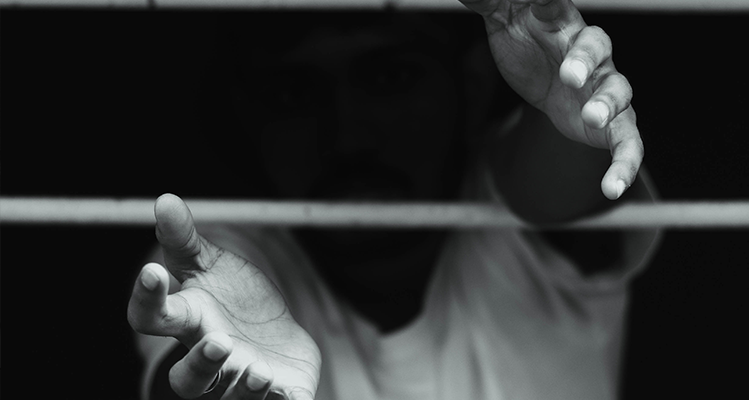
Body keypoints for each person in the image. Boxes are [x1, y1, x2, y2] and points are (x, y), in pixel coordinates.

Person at [127, 1, 660, 399]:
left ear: (472, 88)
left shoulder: (521, 228)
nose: (348, 133)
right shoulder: (215, 259)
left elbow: (561, 178)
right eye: (295, 93)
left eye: (390, 77)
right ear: (247, 118)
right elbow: (190, 357)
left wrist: (572, 99)